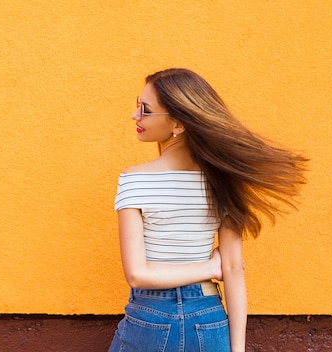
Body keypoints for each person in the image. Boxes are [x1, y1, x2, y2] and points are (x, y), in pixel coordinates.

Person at [108, 68, 308, 352]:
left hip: (150, 318)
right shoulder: (222, 180)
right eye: (137, 105)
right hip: (209, 317)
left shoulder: (135, 180)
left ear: (178, 123)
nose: (135, 115)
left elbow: (137, 275)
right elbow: (234, 269)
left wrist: (213, 267)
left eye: (145, 109)